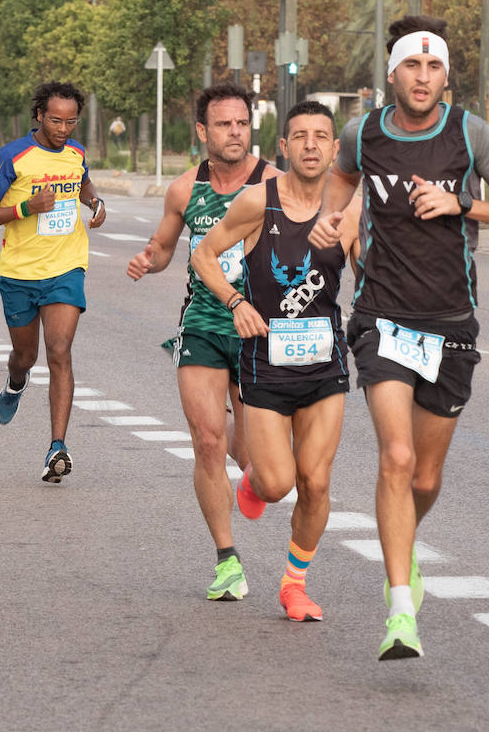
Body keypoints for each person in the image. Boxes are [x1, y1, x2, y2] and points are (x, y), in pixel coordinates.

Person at [308, 15, 489, 661]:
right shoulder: (365, 132)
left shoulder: (470, 133)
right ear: (393, 72)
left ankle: (403, 544)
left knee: (427, 477)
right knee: (397, 457)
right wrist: (340, 218)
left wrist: (460, 203)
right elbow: (346, 176)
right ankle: (401, 607)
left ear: (446, 76)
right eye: (413, 66)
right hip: (381, 316)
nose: (424, 78)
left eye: (435, 68)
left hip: (452, 324)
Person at [192, 100, 361, 622]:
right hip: (265, 365)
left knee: (315, 480)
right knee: (276, 483)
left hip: (324, 366)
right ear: (284, 148)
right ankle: (253, 484)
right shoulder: (254, 202)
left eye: (321, 137)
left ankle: (294, 583)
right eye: (300, 136)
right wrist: (236, 302)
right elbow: (203, 256)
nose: (311, 145)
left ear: (335, 150)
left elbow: (371, 275)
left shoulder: (349, 209)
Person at [126, 82, 277, 599]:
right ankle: (227, 558)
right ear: (202, 131)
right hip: (206, 325)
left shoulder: (275, 183)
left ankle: (255, 479)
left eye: (241, 123)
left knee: (255, 458)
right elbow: (167, 247)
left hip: (261, 327)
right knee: (208, 440)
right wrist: (150, 259)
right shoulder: (185, 190)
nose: (234, 133)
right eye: (223, 124)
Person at [0, 81, 106, 483]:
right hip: (19, 273)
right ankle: (16, 382)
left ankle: (57, 446)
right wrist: (25, 207)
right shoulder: (13, 156)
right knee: (26, 356)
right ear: (38, 115)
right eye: (56, 120)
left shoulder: (76, 153)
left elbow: (83, 180)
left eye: (71, 121)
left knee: (60, 350)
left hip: (67, 266)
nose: (64, 128)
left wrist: (95, 201)